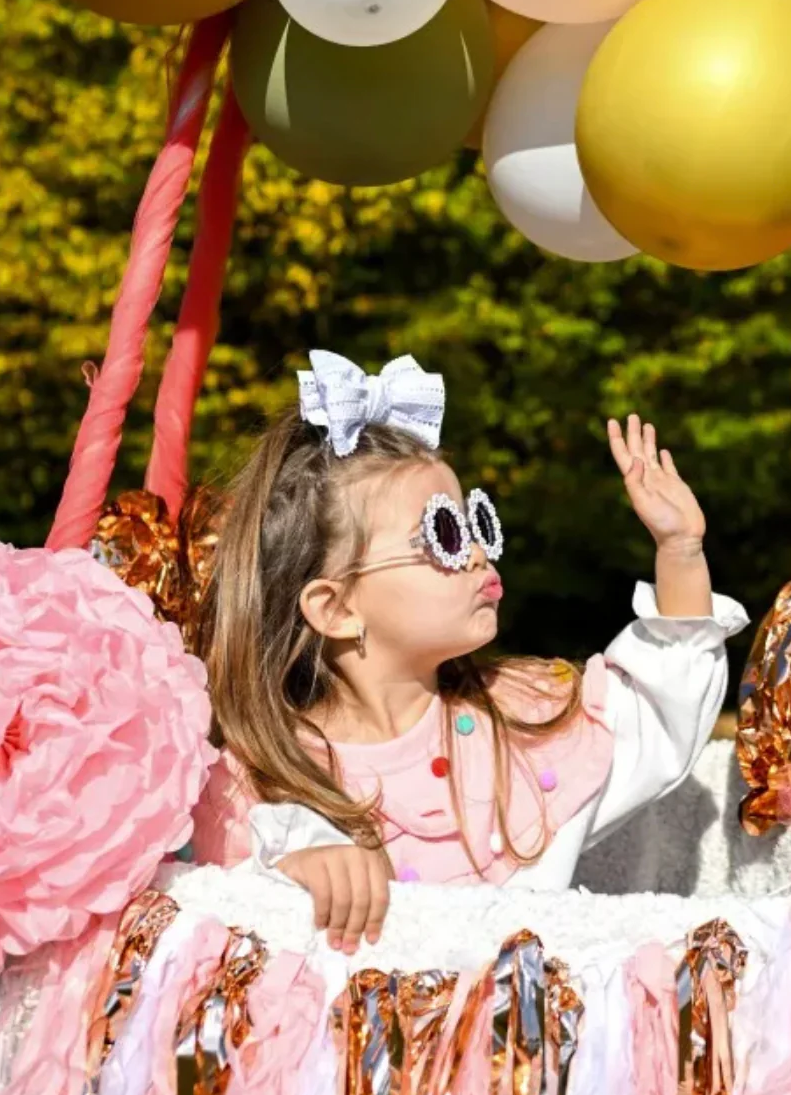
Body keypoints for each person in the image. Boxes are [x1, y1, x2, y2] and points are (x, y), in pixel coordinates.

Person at [193, 350, 748, 955]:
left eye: (477, 523)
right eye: (444, 535)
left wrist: (680, 551)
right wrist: (295, 878)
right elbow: (220, 929)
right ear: (336, 608)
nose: (480, 555)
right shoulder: (268, 788)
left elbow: (657, 716)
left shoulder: (519, 723)